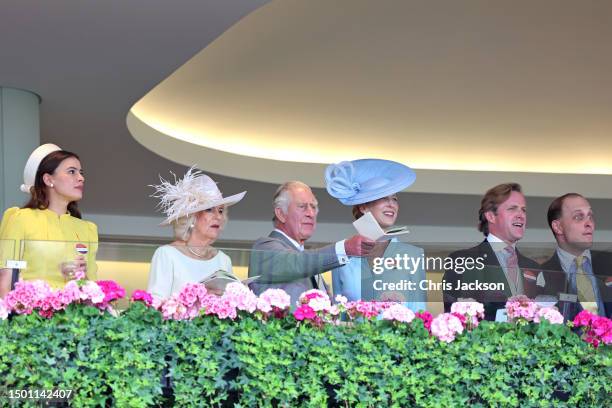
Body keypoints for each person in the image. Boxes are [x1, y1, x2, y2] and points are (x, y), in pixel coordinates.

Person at [248, 181, 375, 306]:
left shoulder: (309, 261)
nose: (311, 213)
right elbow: (297, 262)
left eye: (313, 207)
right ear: (281, 213)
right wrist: (345, 248)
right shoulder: (264, 247)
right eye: (302, 206)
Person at [325, 159, 426, 311]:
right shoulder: (343, 255)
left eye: (395, 199)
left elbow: (419, 313)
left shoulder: (412, 255)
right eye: (384, 197)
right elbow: (341, 314)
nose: (391, 204)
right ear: (364, 206)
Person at [0, 144, 98, 297]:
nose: (81, 178)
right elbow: (5, 280)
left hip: (74, 318)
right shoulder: (20, 218)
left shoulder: (87, 230)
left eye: (81, 172)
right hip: (30, 317)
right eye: (72, 172)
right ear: (48, 179)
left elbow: (92, 288)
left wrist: (81, 277)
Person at [442, 183, 541, 320]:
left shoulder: (534, 268)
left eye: (523, 210)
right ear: (491, 216)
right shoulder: (461, 260)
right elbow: (455, 317)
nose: (521, 215)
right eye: (512, 208)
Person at [147, 167, 246, 300]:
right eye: (210, 210)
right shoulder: (167, 255)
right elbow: (155, 306)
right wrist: (200, 299)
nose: (218, 217)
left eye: (221, 211)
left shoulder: (223, 260)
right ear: (191, 218)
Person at [541, 193, 611, 319]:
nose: (589, 223)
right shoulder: (542, 276)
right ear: (558, 227)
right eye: (579, 217)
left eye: (590, 216)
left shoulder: (608, 262)